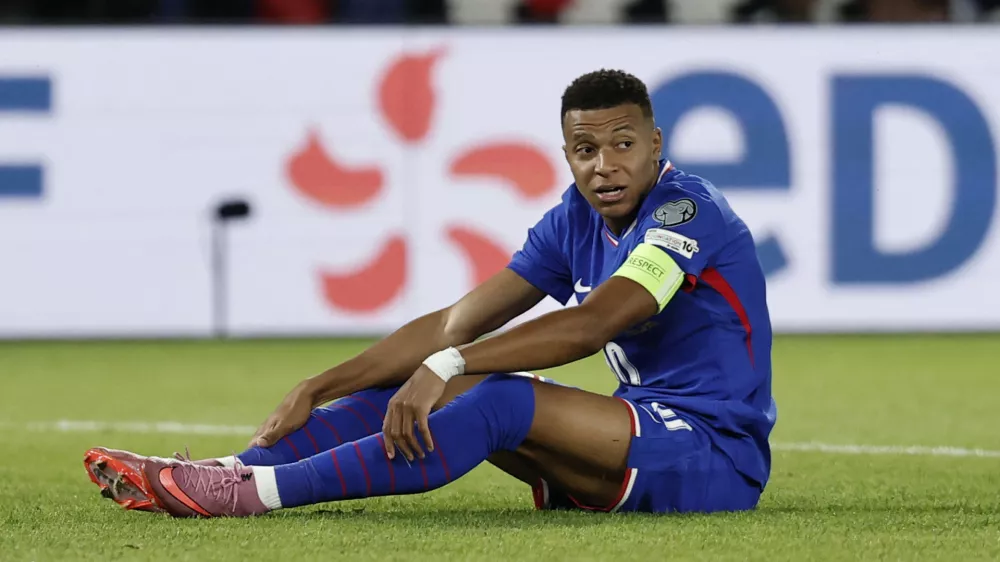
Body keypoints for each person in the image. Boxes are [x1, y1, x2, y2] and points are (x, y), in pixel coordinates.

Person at [83, 69, 777, 517]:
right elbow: (457, 320)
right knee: (446, 383)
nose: (605, 166)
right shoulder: (574, 218)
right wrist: (320, 385)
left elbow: (595, 324)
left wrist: (452, 364)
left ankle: (253, 496)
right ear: (567, 155)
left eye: (623, 145)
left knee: (496, 391)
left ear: (656, 143)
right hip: (633, 441)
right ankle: (228, 469)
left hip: (714, 455)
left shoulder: (687, 213)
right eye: (585, 150)